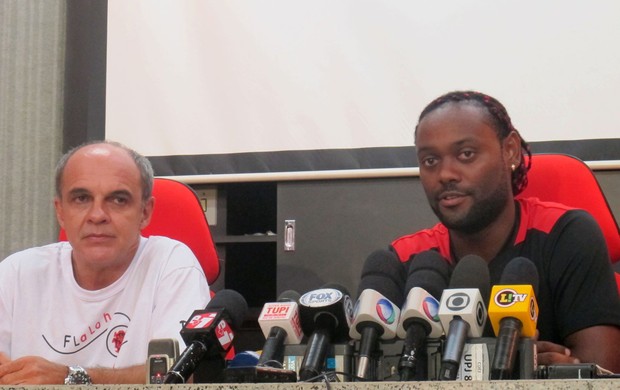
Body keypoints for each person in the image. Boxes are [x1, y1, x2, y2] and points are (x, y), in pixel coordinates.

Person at [390, 91, 620, 372]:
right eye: (429, 161)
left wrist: (557, 373)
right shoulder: (405, 260)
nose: (445, 174)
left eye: (466, 154)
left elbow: (602, 372)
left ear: (509, 150)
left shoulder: (566, 235)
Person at [0, 141, 211, 384]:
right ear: (60, 212)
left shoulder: (171, 264)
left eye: (118, 200)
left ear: (145, 212)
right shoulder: (16, 272)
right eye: (81, 198)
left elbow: (181, 374)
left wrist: (70, 379)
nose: (97, 215)